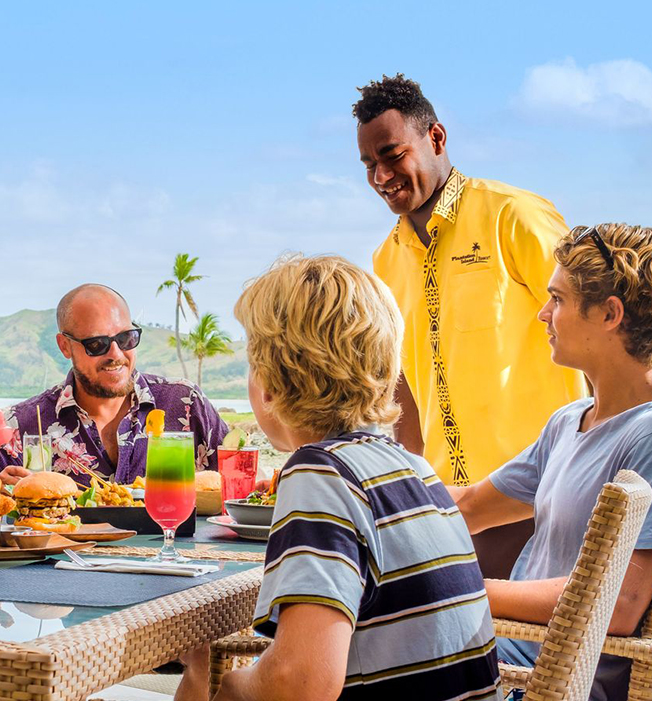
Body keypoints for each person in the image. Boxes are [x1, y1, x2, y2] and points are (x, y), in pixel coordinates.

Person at [176, 255, 499, 701]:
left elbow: (301, 684)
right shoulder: (414, 469)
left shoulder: (321, 472)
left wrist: (229, 686)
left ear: (268, 381)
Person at [448, 224, 652, 701]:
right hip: (498, 657)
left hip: (540, 682)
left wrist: (460, 590)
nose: (542, 313)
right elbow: (469, 506)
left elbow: (617, 604)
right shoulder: (571, 421)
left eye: (558, 299)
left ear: (609, 314)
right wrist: (370, 494)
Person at [357, 73, 587, 575]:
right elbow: (404, 390)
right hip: (448, 506)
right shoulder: (384, 260)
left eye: (392, 155)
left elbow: (594, 331)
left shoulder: (515, 217)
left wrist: (599, 461)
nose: (381, 176)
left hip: (540, 494)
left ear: (435, 138)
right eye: (369, 165)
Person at [0, 283, 227, 506]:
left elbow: (243, 480)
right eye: (97, 344)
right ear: (65, 346)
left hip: (177, 577)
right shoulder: (27, 420)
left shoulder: (184, 403)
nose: (116, 354)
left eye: (126, 338)